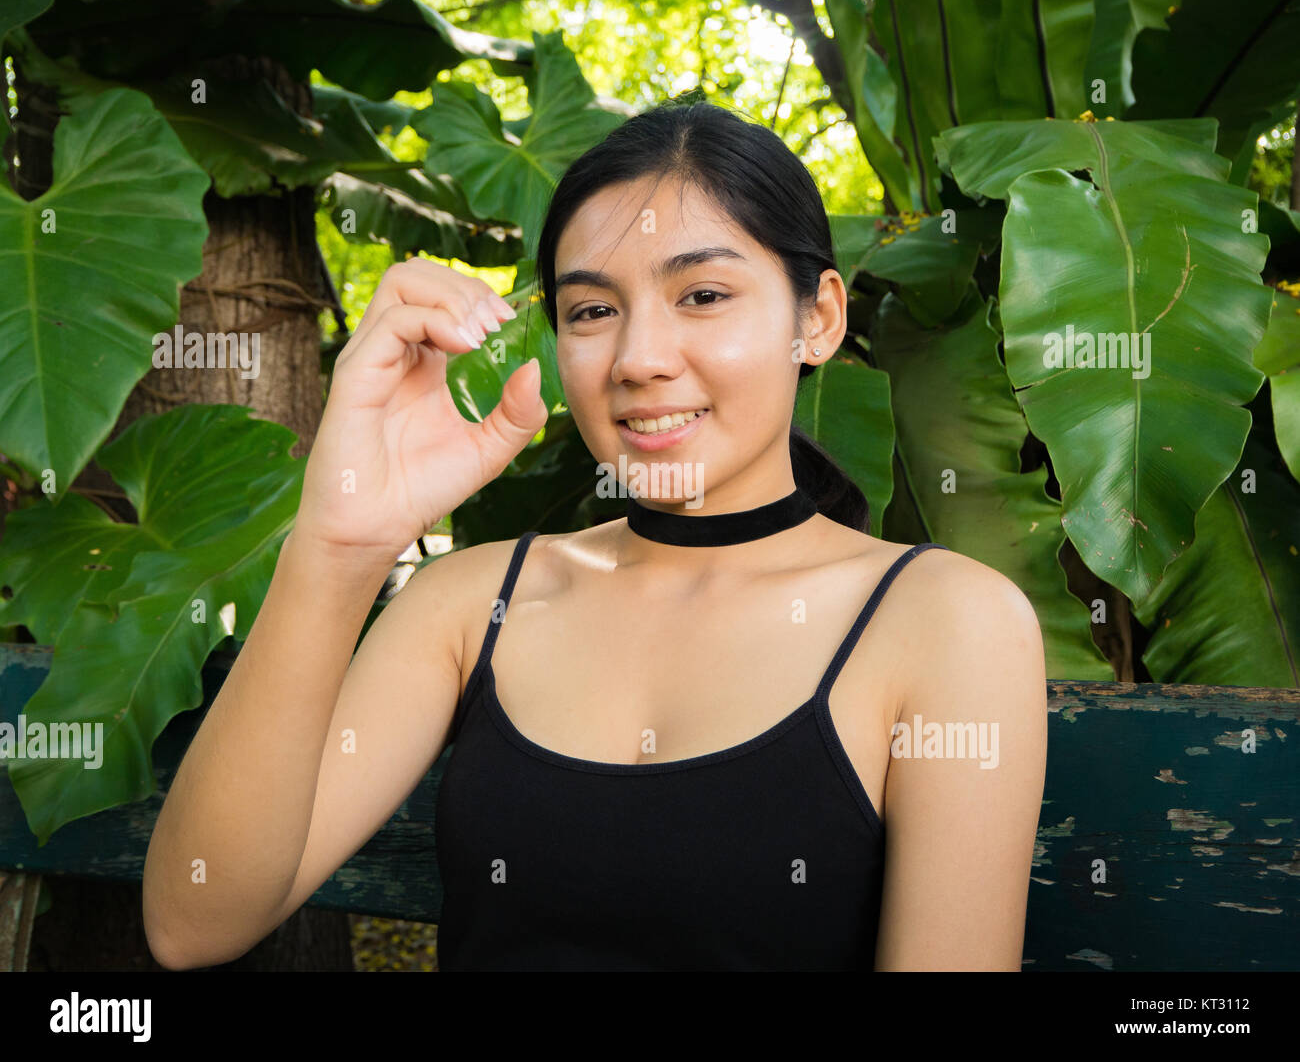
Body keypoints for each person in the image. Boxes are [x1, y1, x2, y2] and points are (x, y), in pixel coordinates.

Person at [142, 100, 1047, 972]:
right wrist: (340, 544)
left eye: (701, 293)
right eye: (591, 309)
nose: (640, 358)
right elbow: (195, 920)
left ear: (818, 318)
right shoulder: (469, 605)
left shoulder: (947, 620)